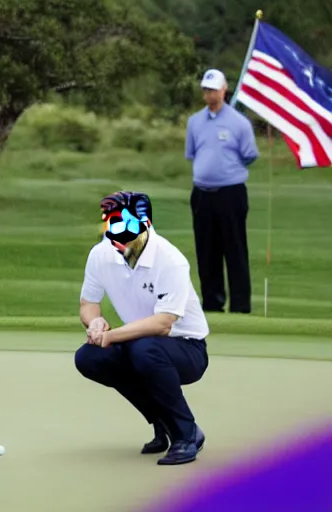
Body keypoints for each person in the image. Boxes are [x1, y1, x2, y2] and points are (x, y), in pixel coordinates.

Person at [75, 191, 209, 466]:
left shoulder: (169, 259)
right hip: (140, 344)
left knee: (144, 350)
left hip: (187, 348)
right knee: (90, 357)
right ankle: (162, 422)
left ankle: (187, 434)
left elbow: (163, 324)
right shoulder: (101, 254)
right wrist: (95, 322)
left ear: (145, 223)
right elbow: (88, 303)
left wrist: (110, 335)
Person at [185, 69, 259, 314]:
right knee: (207, 251)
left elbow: (249, 155)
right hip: (202, 194)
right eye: (206, 90)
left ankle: (240, 306)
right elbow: (193, 153)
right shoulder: (195, 121)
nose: (209, 94)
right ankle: (212, 304)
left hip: (231, 194)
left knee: (235, 250)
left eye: (214, 89)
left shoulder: (239, 123)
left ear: (224, 89)